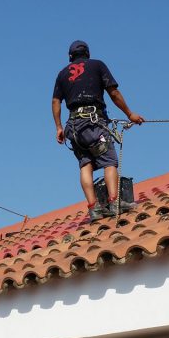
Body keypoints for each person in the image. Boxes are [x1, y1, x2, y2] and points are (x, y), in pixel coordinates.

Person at [52, 40, 145, 222]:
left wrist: (58, 127)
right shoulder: (97, 65)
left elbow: (56, 102)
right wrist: (130, 113)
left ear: (71, 57)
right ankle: (114, 202)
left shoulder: (62, 74)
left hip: (74, 127)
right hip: (94, 122)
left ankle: (93, 208)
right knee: (109, 161)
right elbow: (114, 93)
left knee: (85, 164)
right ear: (87, 53)